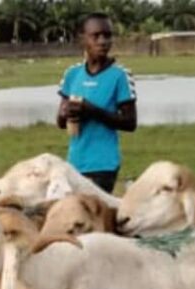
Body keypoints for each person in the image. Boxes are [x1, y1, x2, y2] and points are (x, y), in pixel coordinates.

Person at [57, 13, 137, 194]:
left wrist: (91, 111)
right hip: (74, 163)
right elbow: (60, 122)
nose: (102, 41)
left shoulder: (120, 75)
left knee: (92, 209)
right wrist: (67, 112)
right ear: (83, 39)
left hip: (103, 165)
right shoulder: (72, 74)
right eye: (96, 36)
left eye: (107, 36)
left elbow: (130, 122)